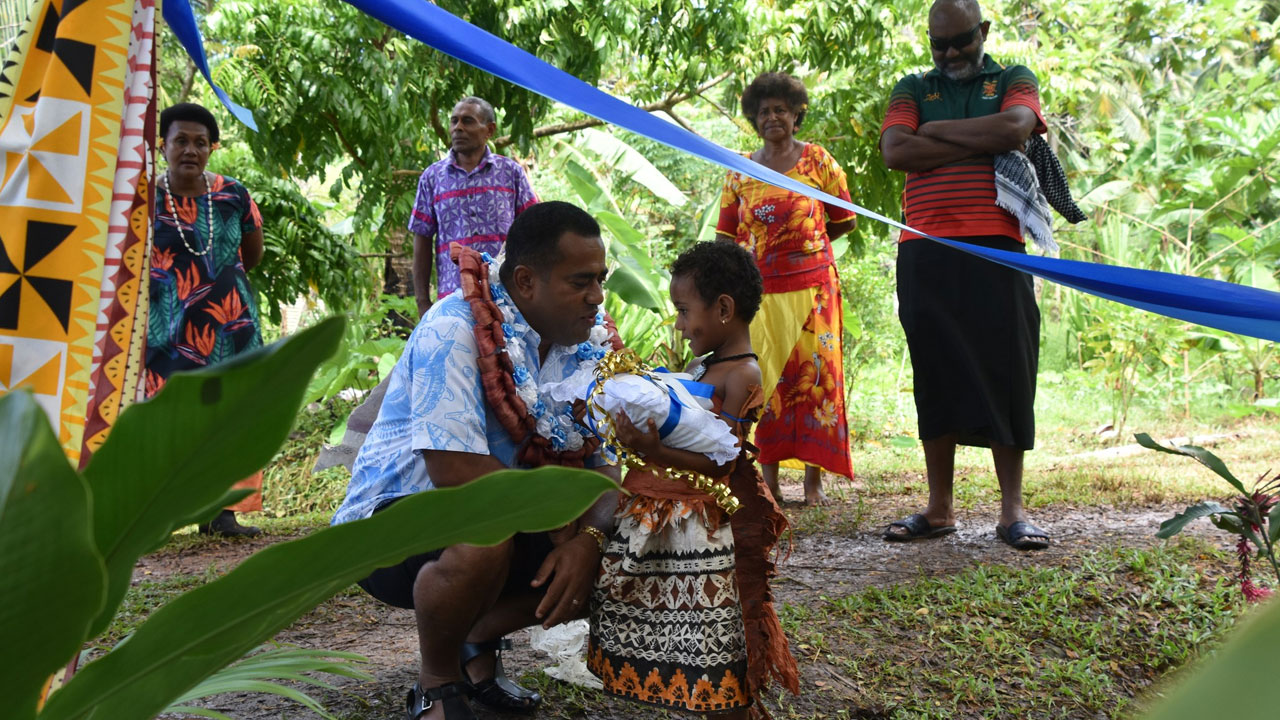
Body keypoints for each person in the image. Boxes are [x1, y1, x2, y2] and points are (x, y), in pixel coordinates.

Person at [332, 201, 621, 720]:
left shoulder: (590, 342)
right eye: (581, 282)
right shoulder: (454, 327)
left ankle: (477, 642)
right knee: (485, 532)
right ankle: (437, 678)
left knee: (641, 531)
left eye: (600, 279)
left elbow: (607, 468)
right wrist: (562, 521)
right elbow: (454, 473)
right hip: (396, 524)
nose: (597, 297)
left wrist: (588, 540)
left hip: (522, 515)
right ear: (527, 282)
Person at [589, 241, 797, 717]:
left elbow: (723, 461)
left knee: (716, 636)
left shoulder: (743, 375)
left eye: (684, 311)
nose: (679, 324)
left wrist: (655, 450)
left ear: (724, 309)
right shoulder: (705, 366)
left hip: (709, 529)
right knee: (685, 632)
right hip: (678, 514)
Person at [878, 0, 1050, 550]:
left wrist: (939, 134)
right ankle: (939, 508)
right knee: (936, 372)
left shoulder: (1014, 78)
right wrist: (983, 134)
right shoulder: (911, 87)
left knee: (1009, 372)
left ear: (984, 32)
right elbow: (895, 150)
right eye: (939, 43)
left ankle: (1012, 511)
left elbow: (1018, 127)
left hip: (999, 250)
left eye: (961, 41)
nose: (950, 53)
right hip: (926, 251)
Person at [715, 72, 857, 506]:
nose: (772, 117)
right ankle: (768, 480)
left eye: (780, 110)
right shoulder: (739, 169)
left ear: (797, 115)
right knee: (768, 382)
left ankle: (813, 483)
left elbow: (844, 220)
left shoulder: (818, 161)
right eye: (763, 111)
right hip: (760, 293)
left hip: (815, 289)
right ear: (754, 119)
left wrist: (803, 249)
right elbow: (725, 236)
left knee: (817, 381)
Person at [146, 102, 265, 537]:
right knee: (164, 417)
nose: (190, 150)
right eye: (181, 140)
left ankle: (222, 512)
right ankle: (156, 517)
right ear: (163, 146)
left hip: (227, 324)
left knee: (230, 414)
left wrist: (220, 284)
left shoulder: (232, 194)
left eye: (200, 142)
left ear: (212, 148)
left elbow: (253, 251)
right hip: (165, 328)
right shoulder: (143, 197)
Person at [409, 95, 538, 318]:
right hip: (454, 302)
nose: (458, 128)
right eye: (454, 121)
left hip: (507, 298)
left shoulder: (511, 173)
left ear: (489, 130)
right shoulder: (432, 178)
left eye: (467, 121)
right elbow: (422, 237)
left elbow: (533, 232)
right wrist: (422, 303)